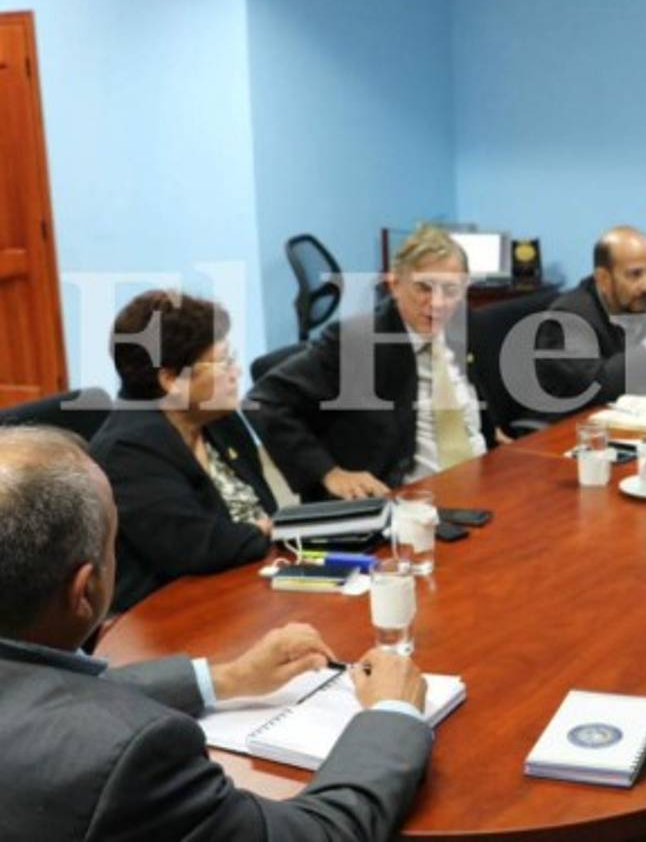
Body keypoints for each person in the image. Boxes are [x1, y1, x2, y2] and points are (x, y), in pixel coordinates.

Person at [0, 425, 432, 841]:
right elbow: (315, 834)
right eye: (114, 543)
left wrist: (226, 678)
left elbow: (43, 690)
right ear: (85, 591)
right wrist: (392, 713)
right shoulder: (128, 756)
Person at [247, 225, 496, 501]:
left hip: (482, 479)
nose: (438, 303)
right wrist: (328, 472)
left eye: (450, 290)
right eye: (424, 287)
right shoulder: (355, 343)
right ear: (395, 284)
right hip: (409, 500)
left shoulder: (462, 326)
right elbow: (263, 401)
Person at [90, 290, 275, 612]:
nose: (236, 372)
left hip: (251, 583)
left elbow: (267, 510)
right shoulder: (126, 452)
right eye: (223, 362)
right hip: (174, 613)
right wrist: (264, 532)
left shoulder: (218, 417)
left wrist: (264, 532)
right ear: (171, 379)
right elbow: (198, 548)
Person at [535, 225, 646, 407]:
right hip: (572, 420)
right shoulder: (567, 318)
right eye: (635, 275)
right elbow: (601, 387)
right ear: (603, 279)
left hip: (640, 413)